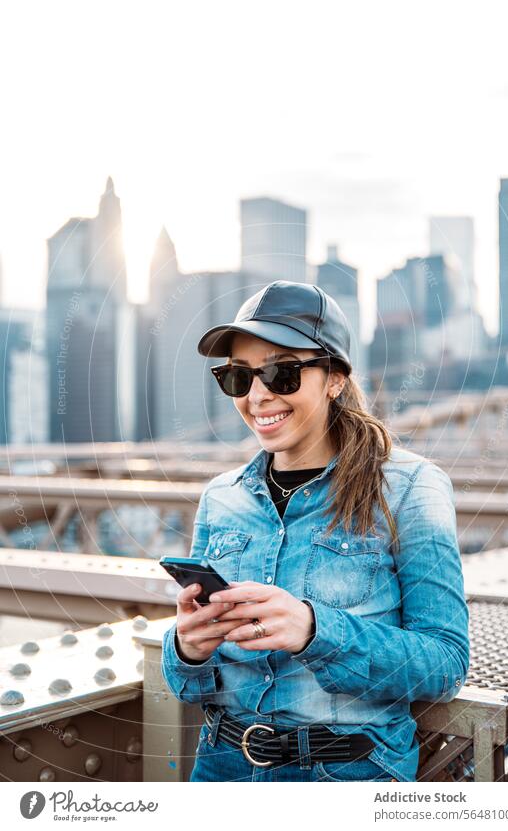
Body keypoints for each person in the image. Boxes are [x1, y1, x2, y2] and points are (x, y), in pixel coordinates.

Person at [161, 280, 469, 782]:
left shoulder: (411, 488)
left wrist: (313, 630)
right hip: (223, 768)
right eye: (238, 377)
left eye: (281, 373)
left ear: (334, 379)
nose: (258, 396)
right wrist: (186, 649)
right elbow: (190, 684)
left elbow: (446, 663)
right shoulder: (222, 498)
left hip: (347, 776)